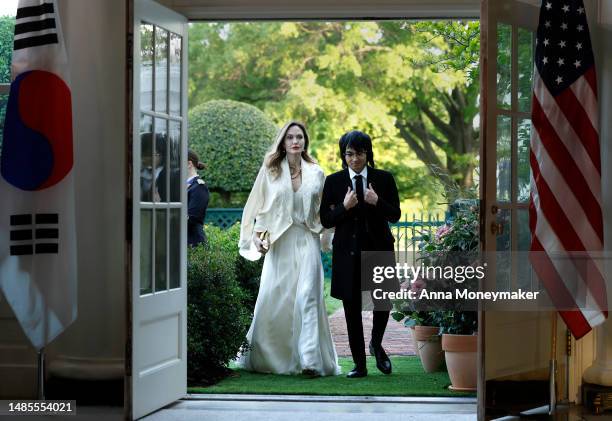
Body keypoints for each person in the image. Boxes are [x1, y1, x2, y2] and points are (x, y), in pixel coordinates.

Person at [238, 121, 340, 377]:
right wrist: (255, 237)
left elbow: (324, 211)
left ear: (305, 142)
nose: (296, 141)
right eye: (290, 137)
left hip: (307, 239)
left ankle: (310, 361)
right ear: (283, 142)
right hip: (279, 242)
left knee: (308, 296)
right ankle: (270, 358)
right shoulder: (270, 170)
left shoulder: (317, 172)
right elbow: (256, 206)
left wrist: (328, 239)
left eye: (300, 137)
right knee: (277, 298)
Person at [320, 130, 400, 378]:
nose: (355, 159)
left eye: (360, 153)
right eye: (350, 154)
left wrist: (377, 201)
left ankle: (376, 345)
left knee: (382, 302)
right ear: (344, 155)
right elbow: (324, 218)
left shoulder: (384, 179)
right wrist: (344, 207)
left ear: (368, 153)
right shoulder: (333, 182)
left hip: (379, 248)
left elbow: (395, 215)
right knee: (351, 308)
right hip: (347, 253)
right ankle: (359, 365)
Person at [187, 149, 209, 247]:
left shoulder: (199, 186)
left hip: (193, 243)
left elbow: (192, 218)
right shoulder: (182, 185)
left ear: (189, 164)